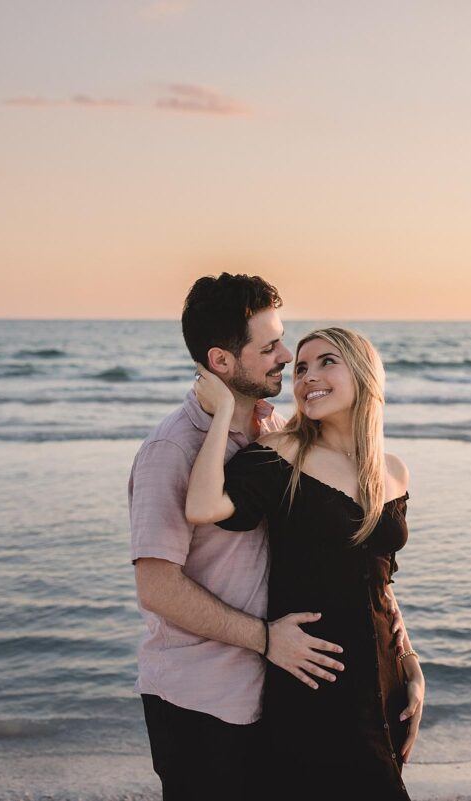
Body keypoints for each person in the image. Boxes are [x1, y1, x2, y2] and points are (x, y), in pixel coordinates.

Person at [128, 275, 409, 800]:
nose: (285, 356)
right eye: (271, 347)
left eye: (285, 342)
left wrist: (402, 650)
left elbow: (356, 559)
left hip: (280, 689)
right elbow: (157, 588)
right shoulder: (170, 450)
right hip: (202, 699)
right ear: (221, 362)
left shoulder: (279, 432)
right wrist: (266, 638)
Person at [186, 326, 424, 801]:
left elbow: (381, 579)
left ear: (363, 373)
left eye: (325, 362)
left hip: (387, 681)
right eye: (300, 369)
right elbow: (202, 506)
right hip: (315, 679)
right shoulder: (281, 456)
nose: (307, 377)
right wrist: (224, 414)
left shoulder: (391, 470)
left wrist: (412, 663)